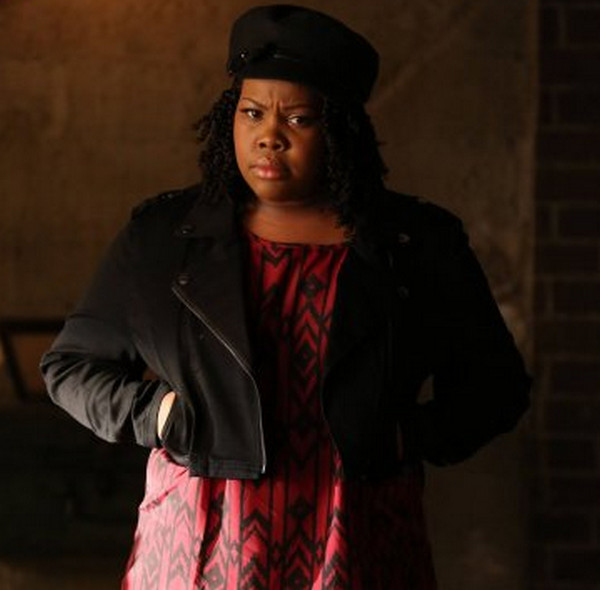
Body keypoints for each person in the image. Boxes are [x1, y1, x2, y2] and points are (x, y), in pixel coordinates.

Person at [41, 5, 531, 589]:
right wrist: (157, 414)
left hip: (359, 542)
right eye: (252, 112)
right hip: (199, 544)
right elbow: (71, 367)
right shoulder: (163, 239)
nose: (269, 136)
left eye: (298, 118)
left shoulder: (417, 244)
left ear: (341, 130)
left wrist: (408, 436)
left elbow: (496, 386)